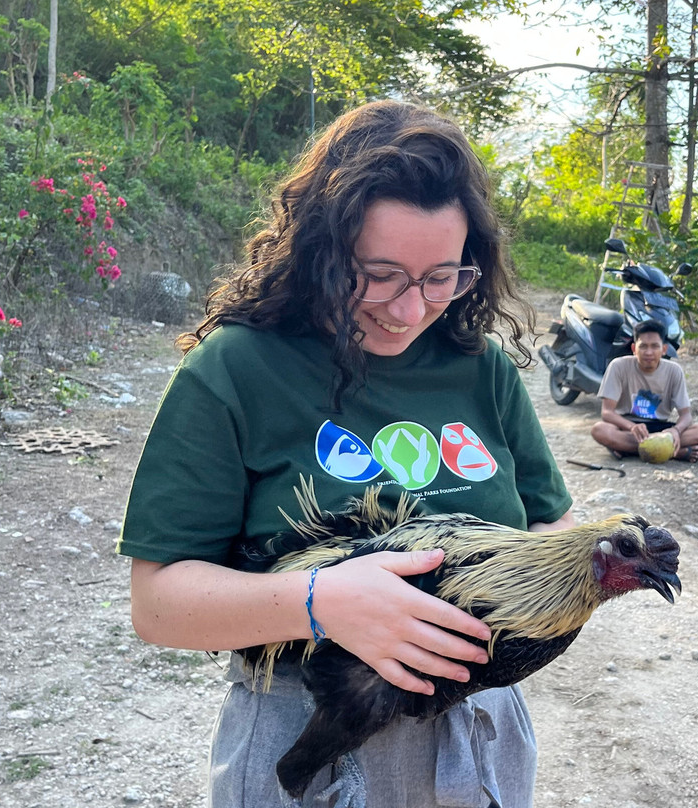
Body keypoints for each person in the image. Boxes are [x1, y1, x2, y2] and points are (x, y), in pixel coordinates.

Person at [117, 99, 574, 808]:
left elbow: (549, 524)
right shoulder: (237, 369)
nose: (408, 309)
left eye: (439, 277)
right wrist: (322, 601)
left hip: (478, 738)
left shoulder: (480, 366)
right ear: (322, 250)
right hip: (311, 732)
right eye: (379, 273)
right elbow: (158, 605)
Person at [590, 319, 698, 462]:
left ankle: (629, 449)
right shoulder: (618, 366)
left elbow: (686, 415)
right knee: (600, 430)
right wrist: (632, 427)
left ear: (664, 349)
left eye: (654, 346)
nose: (649, 352)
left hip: (661, 430)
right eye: (643, 346)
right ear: (634, 349)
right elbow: (607, 412)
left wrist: (675, 431)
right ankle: (674, 452)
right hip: (628, 428)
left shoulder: (674, 371)